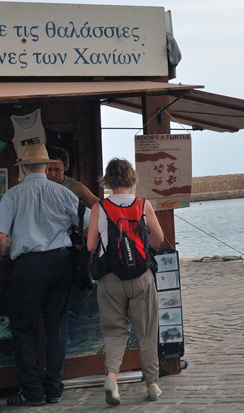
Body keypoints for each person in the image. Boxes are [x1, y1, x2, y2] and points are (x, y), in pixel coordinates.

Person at [0, 144, 88, 407]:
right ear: (46, 167)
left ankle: (32, 392)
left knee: (24, 329)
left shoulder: (12, 195)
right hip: (61, 263)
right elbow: (89, 224)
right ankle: (54, 388)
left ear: (22, 168)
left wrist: (5, 253)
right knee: (57, 327)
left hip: (29, 266)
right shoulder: (63, 192)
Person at [86, 158, 164, 406]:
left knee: (114, 330)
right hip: (142, 277)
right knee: (147, 331)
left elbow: (90, 246)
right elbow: (158, 238)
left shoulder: (100, 207)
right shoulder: (143, 204)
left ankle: (111, 377)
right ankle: (152, 384)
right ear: (131, 179)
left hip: (110, 278)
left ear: (107, 181)